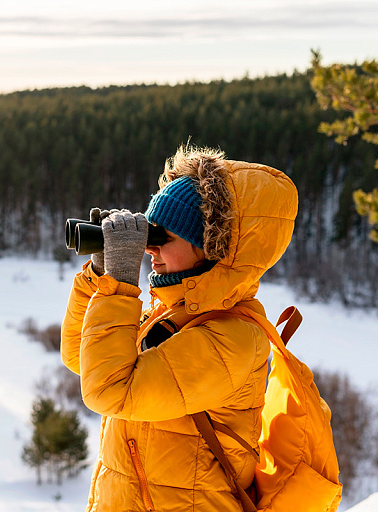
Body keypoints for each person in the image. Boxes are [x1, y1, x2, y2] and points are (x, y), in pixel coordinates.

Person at [60, 144, 297, 512]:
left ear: (212, 248)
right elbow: (80, 358)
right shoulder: (170, 313)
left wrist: (121, 285)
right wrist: (100, 276)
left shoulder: (233, 338)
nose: (149, 251)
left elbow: (108, 391)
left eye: (162, 238)